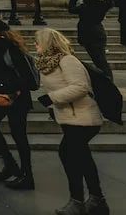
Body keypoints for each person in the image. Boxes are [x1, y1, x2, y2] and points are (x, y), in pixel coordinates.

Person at [34, 28, 108, 215]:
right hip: (69, 117)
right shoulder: (48, 63)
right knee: (81, 157)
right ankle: (95, 200)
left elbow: (80, 87)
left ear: (48, 43)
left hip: (83, 117)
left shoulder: (67, 60)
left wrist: (51, 98)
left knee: (68, 153)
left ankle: (79, 201)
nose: (35, 45)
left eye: (38, 42)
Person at [0, 19, 35, 190]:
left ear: (1, 33)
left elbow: (27, 77)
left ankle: (27, 175)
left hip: (17, 98)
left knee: (19, 135)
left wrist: (14, 91)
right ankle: (10, 164)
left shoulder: (11, 50)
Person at [68, 0, 114, 81]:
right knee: (101, 59)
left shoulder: (86, 6)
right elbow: (106, 0)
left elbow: (71, 9)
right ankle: (107, 78)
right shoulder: (104, 4)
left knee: (99, 61)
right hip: (99, 32)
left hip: (89, 34)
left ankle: (107, 80)